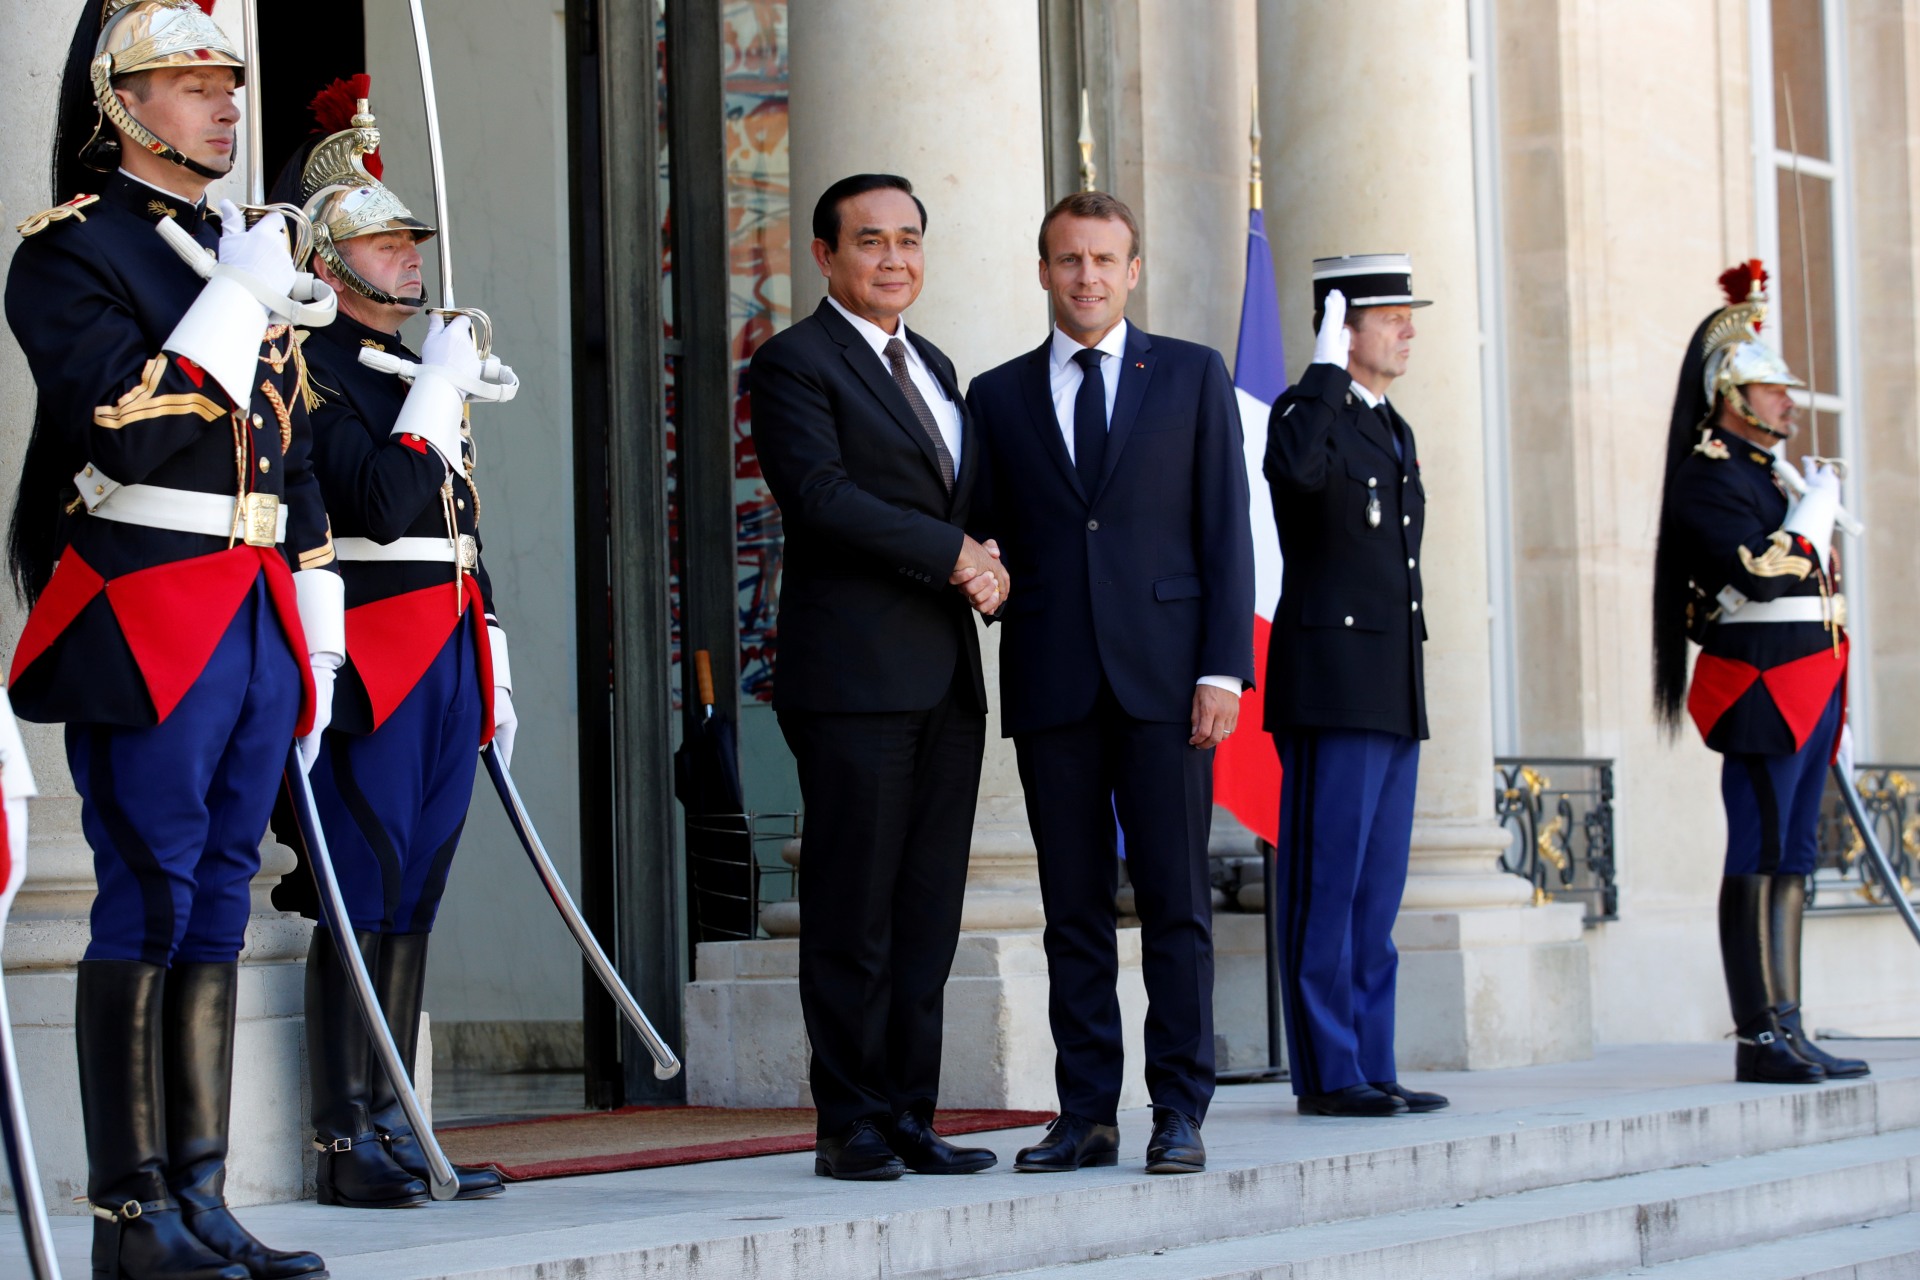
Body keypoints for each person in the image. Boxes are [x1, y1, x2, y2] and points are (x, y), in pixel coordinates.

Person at [4, 2, 340, 1276]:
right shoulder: (72, 250)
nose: (221, 105)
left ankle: (201, 1198)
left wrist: (320, 625)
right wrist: (238, 300)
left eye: (226, 83)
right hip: (149, 594)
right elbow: (126, 427)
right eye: (188, 84)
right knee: (144, 889)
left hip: (253, 598)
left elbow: (292, 448)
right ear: (122, 103)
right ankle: (130, 1215)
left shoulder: (236, 250)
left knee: (215, 896)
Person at [966, 191, 1253, 1175]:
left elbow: (1227, 530)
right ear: (1043, 270)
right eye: (1068, 258)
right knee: (1072, 908)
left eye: (1104, 259)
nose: (1086, 276)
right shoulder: (996, 396)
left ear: (1133, 269)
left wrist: (1223, 668)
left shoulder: (1191, 374)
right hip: (1053, 681)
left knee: (1175, 903)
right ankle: (1086, 1110)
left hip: (1171, 682)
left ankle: (1180, 1106)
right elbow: (983, 531)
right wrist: (986, 579)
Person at [266, 78, 516, 1206]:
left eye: (410, 239)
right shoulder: (309, 365)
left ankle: (396, 1114)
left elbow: (463, 527)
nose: (408, 256)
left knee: (416, 893)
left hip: (447, 644)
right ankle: (338, 1138)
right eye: (380, 240)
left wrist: (495, 645)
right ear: (329, 263)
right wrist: (435, 400)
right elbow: (377, 497)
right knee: (360, 885)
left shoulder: (419, 368)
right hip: (371, 646)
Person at [749, 173, 1006, 1180]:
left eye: (908, 239)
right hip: (853, 677)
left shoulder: (934, 363)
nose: (894, 258)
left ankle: (909, 1112)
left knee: (926, 911)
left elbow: (960, 499)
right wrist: (956, 553)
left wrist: (990, 552)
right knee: (853, 911)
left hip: (946, 677)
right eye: (870, 241)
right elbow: (820, 496)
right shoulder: (792, 363)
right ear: (824, 255)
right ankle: (848, 1122)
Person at [1651, 260, 1867, 1086]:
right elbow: (1758, 574)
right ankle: (1758, 1035)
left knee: (1794, 856)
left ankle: (1791, 1022)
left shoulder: (1768, 479)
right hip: (1761, 694)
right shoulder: (1708, 479)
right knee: (1760, 848)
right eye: (1771, 390)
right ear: (1729, 398)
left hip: (1807, 688)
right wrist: (1810, 521)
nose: (1788, 402)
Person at [1262, 254, 1447, 1118]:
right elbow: (1295, 474)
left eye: (1409, 314)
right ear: (1345, 325)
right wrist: (1324, 368)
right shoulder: (1312, 409)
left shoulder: (1392, 425)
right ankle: (1330, 1070)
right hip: (1331, 685)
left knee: (1376, 888)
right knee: (1326, 882)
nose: (1408, 328)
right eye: (1391, 315)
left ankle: (1372, 1058)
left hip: (1386, 685)